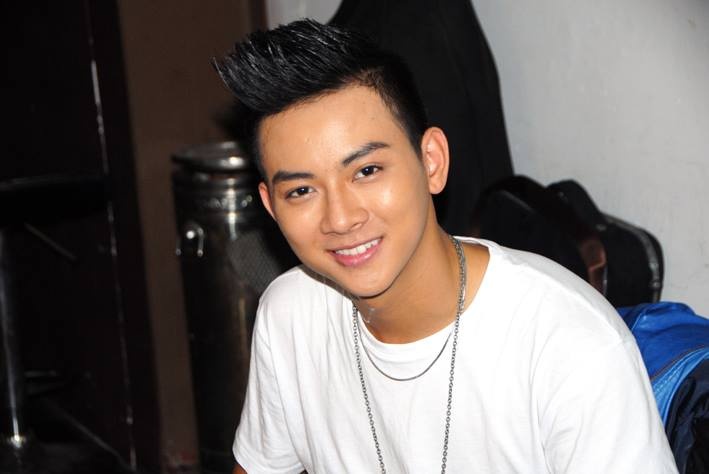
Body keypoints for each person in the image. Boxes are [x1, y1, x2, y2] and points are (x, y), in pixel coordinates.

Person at [213, 19, 677, 474]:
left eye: (367, 171)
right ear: (271, 207)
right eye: (301, 191)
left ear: (431, 162)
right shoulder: (290, 315)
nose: (341, 218)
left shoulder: (569, 343)